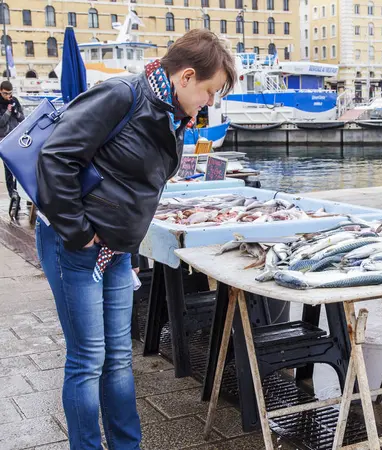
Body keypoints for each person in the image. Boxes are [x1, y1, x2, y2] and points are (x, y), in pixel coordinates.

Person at [35, 29, 236, 449]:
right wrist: (80, 233)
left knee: (119, 358)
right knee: (88, 361)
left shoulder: (170, 113)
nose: (210, 102)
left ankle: (128, 445)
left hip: (117, 248)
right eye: (209, 91)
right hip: (78, 246)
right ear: (184, 77)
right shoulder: (122, 94)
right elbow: (55, 158)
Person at [0, 80, 25, 203]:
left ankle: (19, 191)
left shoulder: (14, 100)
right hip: (3, 140)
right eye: (5, 93)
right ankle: (12, 194)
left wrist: (15, 112)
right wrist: (8, 111)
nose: (8, 96)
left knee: (19, 165)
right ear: (0, 91)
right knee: (8, 167)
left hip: (16, 137)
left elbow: (22, 118)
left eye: (10, 93)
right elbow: (1, 123)